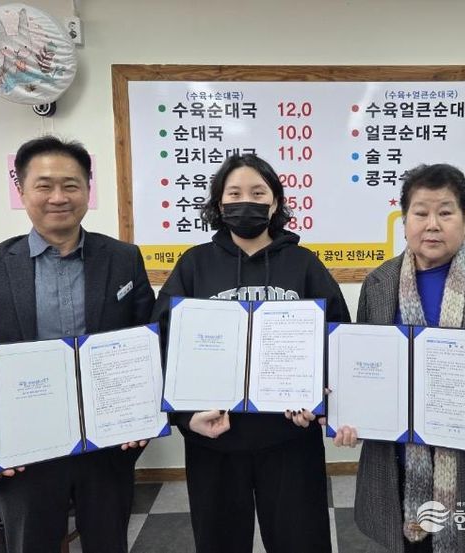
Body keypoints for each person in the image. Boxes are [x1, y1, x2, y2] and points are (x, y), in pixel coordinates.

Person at [0, 136, 155, 553]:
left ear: (87, 190)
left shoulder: (123, 258)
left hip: (106, 441)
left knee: (109, 542)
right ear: (22, 191)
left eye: (70, 185)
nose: (58, 197)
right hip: (22, 443)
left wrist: (142, 409)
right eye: (44, 185)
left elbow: (147, 338)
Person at [333, 163, 465, 553]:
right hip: (399, 472)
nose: (432, 225)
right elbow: (363, 370)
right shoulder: (378, 284)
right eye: (421, 213)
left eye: (445, 212)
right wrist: (350, 414)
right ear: (404, 222)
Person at [152, 153, 351, 553]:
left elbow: (339, 339)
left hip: (290, 440)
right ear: (219, 203)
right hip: (214, 442)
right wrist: (185, 418)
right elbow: (161, 344)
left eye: (258, 193)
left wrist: (321, 402)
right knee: (219, 543)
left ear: (275, 203)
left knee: (302, 542)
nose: (246, 201)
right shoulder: (194, 265)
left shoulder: (304, 264)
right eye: (235, 193)